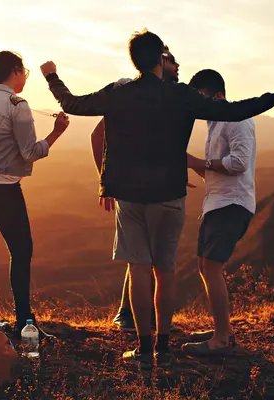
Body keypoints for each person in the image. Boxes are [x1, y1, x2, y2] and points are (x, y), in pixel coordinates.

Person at [40, 29, 274, 368]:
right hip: (169, 195)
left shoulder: (119, 94)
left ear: (134, 59)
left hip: (130, 197)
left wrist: (51, 77)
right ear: (160, 60)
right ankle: (164, 347)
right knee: (166, 271)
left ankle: (144, 349)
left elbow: (73, 104)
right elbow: (236, 110)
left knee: (139, 270)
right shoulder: (181, 96)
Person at [0, 50, 70, 339]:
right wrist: (57, 132)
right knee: (21, 250)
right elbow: (30, 152)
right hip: (2, 185)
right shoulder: (17, 104)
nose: (25, 78)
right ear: (14, 70)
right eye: (24, 72)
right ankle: (25, 321)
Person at [89, 46, 181, 333]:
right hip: (133, 188)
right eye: (173, 61)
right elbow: (97, 134)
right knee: (141, 257)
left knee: (144, 256)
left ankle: (138, 320)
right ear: (159, 62)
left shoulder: (163, 97)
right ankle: (129, 316)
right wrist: (106, 181)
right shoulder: (130, 93)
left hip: (153, 185)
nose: (179, 67)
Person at [182, 69, 257, 356]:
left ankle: (221, 339)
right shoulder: (215, 123)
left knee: (212, 268)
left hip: (232, 204)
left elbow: (238, 163)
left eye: (199, 97)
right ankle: (220, 328)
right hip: (217, 203)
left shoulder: (236, 119)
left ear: (217, 95)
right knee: (205, 266)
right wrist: (191, 165)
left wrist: (199, 161)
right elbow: (215, 170)